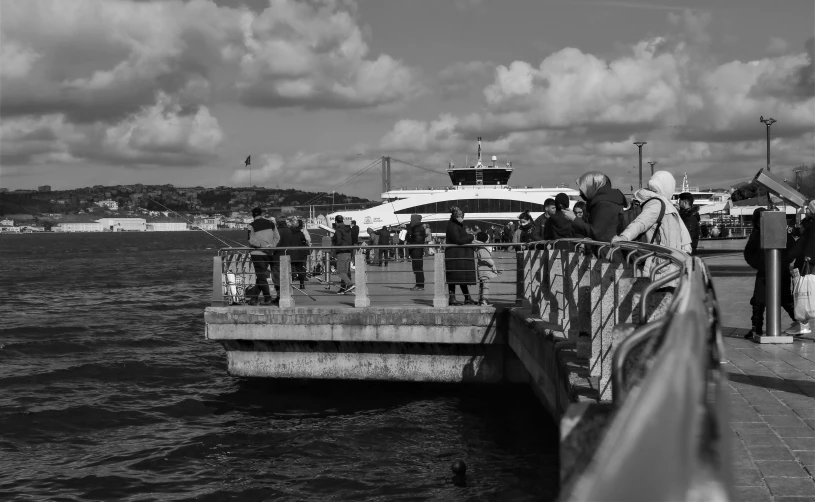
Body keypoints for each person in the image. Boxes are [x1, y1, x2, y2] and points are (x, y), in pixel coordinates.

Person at [744, 208, 799, 338]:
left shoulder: (780, 232)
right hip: (764, 272)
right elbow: (749, 253)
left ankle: (800, 323)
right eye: (757, 220)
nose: (760, 222)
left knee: (785, 299)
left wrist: (783, 263)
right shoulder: (756, 234)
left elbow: (792, 248)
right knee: (758, 300)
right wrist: (759, 265)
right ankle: (756, 328)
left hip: (781, 271)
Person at [613, 171, 691, 253]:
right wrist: (624, 237)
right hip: (660, 258)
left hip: (670, 256)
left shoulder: (665, 203)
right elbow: (641, 222)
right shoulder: (656, 203)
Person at [571, 172, 628, 242]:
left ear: (592, 186)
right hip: (606, 248)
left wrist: (574, 219)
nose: (581, 193)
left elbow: (596, 233)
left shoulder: (605, 204)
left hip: (607, 250)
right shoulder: (604, 201)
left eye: (583, 189)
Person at [445, 207, 477, 305]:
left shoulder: (455, 224)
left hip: (457, 254)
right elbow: (458, 240)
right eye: (461, 217)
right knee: (454, 277)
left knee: (459, 276)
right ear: (456, 217)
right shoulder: (453, 226)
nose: (463, 218)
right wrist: (471, 236)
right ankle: (453, 298)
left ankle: (467, 297)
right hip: (455, 254)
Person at [247, 207, 278, 305]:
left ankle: (267, 298)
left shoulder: (251, 226)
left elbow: (251, 240)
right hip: (269, 253)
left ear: (253, 215)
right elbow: (277, 237)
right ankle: (254, 299)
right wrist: (271, 246)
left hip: (257, 254)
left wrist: (262, 245)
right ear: (261, 213)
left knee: (261, 277)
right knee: (261, 276)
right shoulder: (271, 223)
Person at [270, 216, 293, 300]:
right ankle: (285, 294)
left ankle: (279, 296)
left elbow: (276, 244)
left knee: (276, 277)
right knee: (285, 277)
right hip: (287, 256)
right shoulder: (289, 230)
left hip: (277, 257)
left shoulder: (278, 231)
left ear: (277, 222)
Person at [331, 215, 354, 294]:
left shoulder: (338, 230)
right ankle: (343, 289)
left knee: (340, 271)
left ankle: (350, 284)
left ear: (336, 222)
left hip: (342, 252)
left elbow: (338, 240)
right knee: (345, 272)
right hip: (348, 252)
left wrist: (334, 242)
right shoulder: (348, 229)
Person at [475, 231, 499, 306]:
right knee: (486, 286)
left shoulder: (480, 248)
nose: (488, 240)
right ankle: (484, 301)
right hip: (485, 270)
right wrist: (492, 263)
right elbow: (485, 258)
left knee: (482, 286)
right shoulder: (483, 249)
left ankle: (481, 299)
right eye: (487, 239)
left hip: (482, 270)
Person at [289, 217, 309, 289]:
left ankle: (291, 284)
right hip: (300, 254)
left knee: (290, 270)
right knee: (300, 269)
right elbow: (305, 242)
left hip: (290, 254)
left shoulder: (289, 233)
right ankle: (302, 284)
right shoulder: (301, 233)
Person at [408, 214, 427, 291]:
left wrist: (410, 245)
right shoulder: (419, 227)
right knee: (417, 267)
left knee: (417, 268)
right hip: (417, 250)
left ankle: (419, 285)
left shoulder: (417, 228)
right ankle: (419, 284)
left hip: (416, 250)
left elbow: (417, 240)